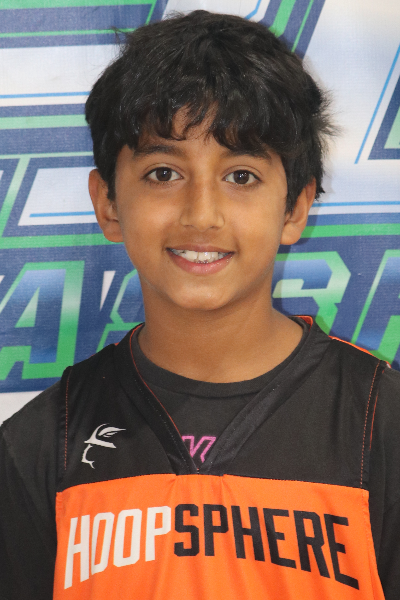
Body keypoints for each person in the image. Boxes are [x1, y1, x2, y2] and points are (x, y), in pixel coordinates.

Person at [0, 10, 399, 600]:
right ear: (108, 204)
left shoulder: (381, 424)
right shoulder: (39, 446)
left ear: (294, 208)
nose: (201, 214)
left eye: (241, 176)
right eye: (164, 173)